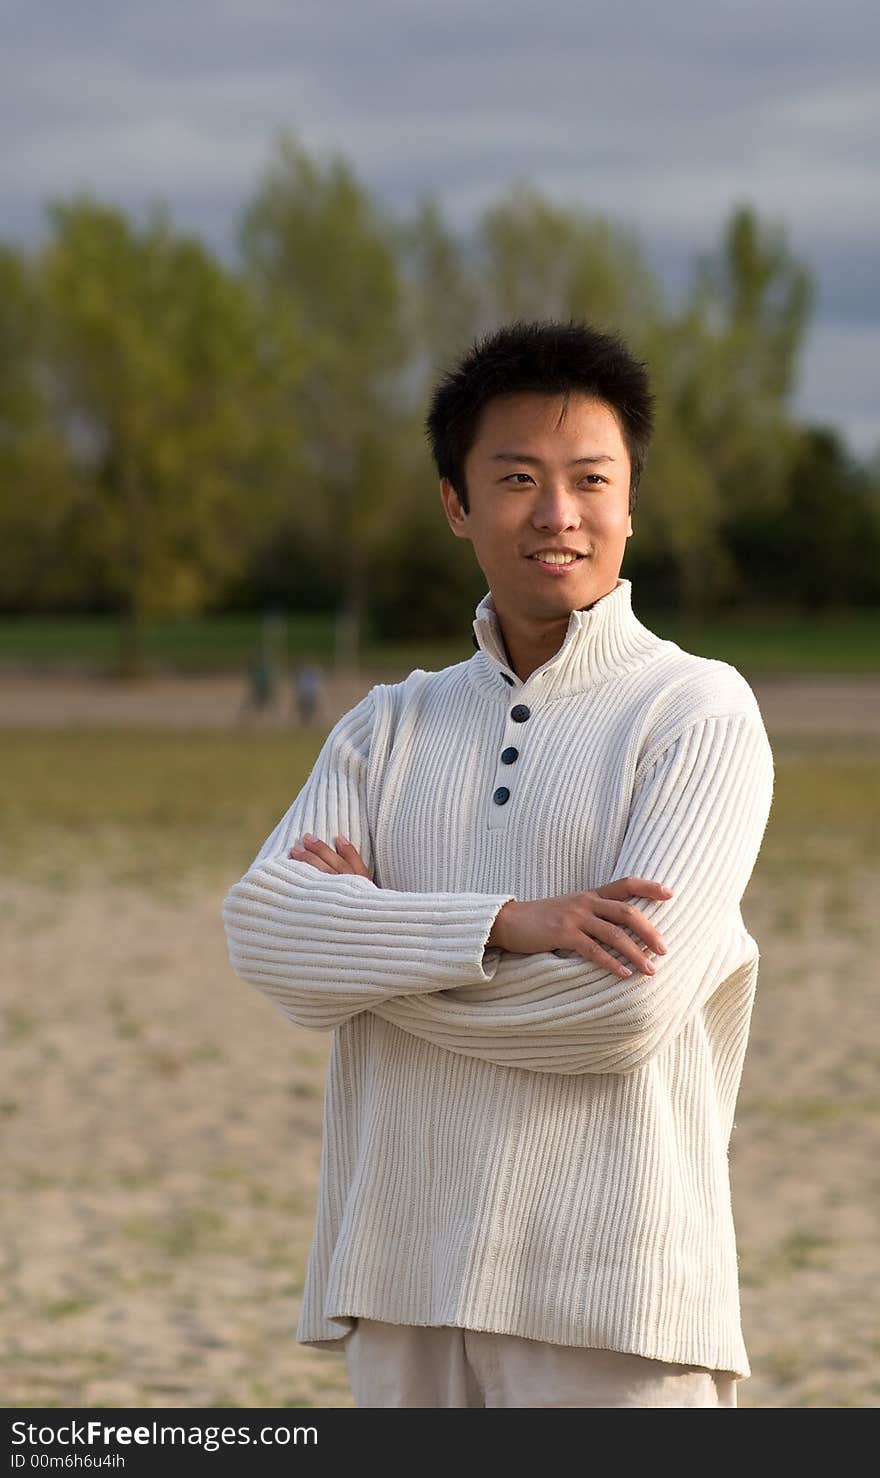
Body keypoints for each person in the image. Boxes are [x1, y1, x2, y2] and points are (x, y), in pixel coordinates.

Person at [222, 319, 775, 1408]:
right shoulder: (388, 724)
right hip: (399, 1276)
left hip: (619, 1297)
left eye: (589, 479)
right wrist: (500, 925)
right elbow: (264, 932)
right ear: (456, 503)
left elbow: (624, 1009)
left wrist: (375, 961)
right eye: (517, 478)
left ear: (629, 502)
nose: (558, 513)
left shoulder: (697, 712)